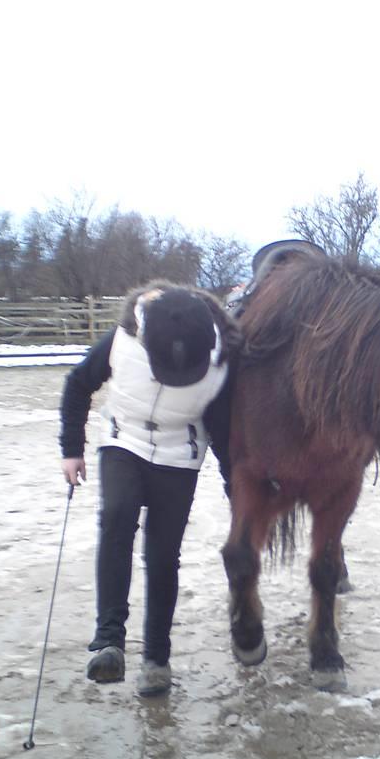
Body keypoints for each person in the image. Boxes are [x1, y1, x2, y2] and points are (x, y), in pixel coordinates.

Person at [59, 280, 239, 697]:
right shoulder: (123, 340)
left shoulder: (220, 359)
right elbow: (77, 384)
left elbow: (222, 427)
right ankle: (109, 642)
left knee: (162, 555)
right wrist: (72, 450)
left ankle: (157, 659)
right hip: (125, 439)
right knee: (117, 518)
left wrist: (236, 485)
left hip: (180, 453)